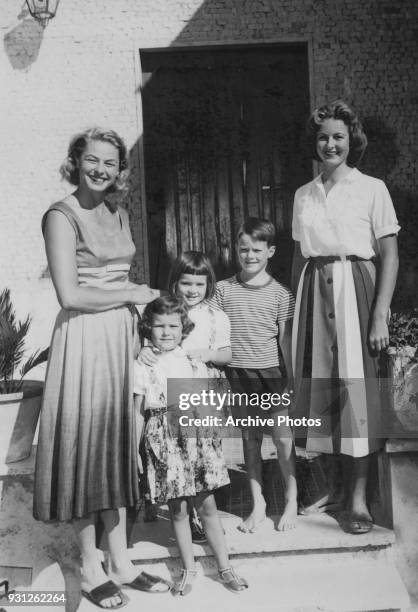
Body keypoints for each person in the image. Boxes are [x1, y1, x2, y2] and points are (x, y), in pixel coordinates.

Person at [33, 128, 169, 609]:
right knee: (86, 450)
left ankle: (121, 561)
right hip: (85, 339)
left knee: (116, 447)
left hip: (120, 337)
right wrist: (131, 294)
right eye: (92, 160)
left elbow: (121, 275)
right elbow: (69, 294)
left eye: (110, 163)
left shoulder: (118, 211)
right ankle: (90, 568)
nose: (101, 170)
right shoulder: (60, 216)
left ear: (120, 169)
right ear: (76, 161)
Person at [291, 100, 400, 533]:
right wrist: (289, 319)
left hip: (357, 290)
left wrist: (379, 316)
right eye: (322, 137)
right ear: (314, 143)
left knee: (357, 397)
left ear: (351, 140)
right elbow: (299, 259)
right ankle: (332, 488)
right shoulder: (303, 193)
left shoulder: (372, 188)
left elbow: (389, 255)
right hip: (314, 293)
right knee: (322, 396)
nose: (330, 143)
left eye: (338, 136)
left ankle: (358, 499)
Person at [134, 296, 248, 595]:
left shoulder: (192, 359)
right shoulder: (143, 363)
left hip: (197, 435)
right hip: (163, 437)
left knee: (207, 505)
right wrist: (135, 450)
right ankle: (188, 569)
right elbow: (137, 411)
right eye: (159, 326)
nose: (167, 332)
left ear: (183, 328)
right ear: (148, 328)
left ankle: (225, 567)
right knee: (179, 510)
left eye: (173, 325)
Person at [139, 251, 232, 543]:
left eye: (199, 284)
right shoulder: (164, 310)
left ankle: (204, 514)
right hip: (168, 393)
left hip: (203, 391)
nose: (192, 290)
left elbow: (228, 354)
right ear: (175, 283)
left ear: (208, 285)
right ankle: (173, 508)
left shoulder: (216, 316)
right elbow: (147, 343)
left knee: (202, 456)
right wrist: (143, 351)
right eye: (186, 283)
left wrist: (210, 354)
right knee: (171, 455)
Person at [211, 218, 297, 533]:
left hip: (272, 374)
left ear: (270, 251)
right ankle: (257, 503)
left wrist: (292, 381)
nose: (249, 256)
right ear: (236, 249)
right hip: (239, 374)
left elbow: (285, 341)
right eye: (243, 249)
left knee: (283, 440)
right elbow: (213, 333)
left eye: (257, 250)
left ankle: (291, 499)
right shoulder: (222, 290)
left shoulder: (281, 294)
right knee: (250, 441)